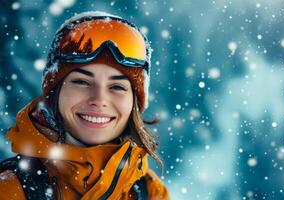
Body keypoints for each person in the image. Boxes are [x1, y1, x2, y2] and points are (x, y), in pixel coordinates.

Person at [0, 11, 170, 200]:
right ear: (55, 92)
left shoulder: (148, 191)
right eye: (82, 82)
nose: (99, 99)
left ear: (134, 103)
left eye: (117, 86)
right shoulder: (10, 190)